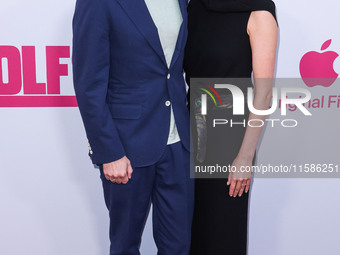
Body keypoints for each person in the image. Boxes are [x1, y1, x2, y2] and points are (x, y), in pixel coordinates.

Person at [72, 0, 194, 254]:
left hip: (179, 142)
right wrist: (109, 152)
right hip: (127, 145)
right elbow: (88, 86)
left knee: (179, 246)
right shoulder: (97, 3)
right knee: (125, 245)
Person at [184, 0, 278, 254]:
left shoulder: (259, 11)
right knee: (187, 235)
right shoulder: (194, 6)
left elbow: (264, 94)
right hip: (187, 135)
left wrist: (245, 157)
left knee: (221, 235)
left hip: (230, 142)